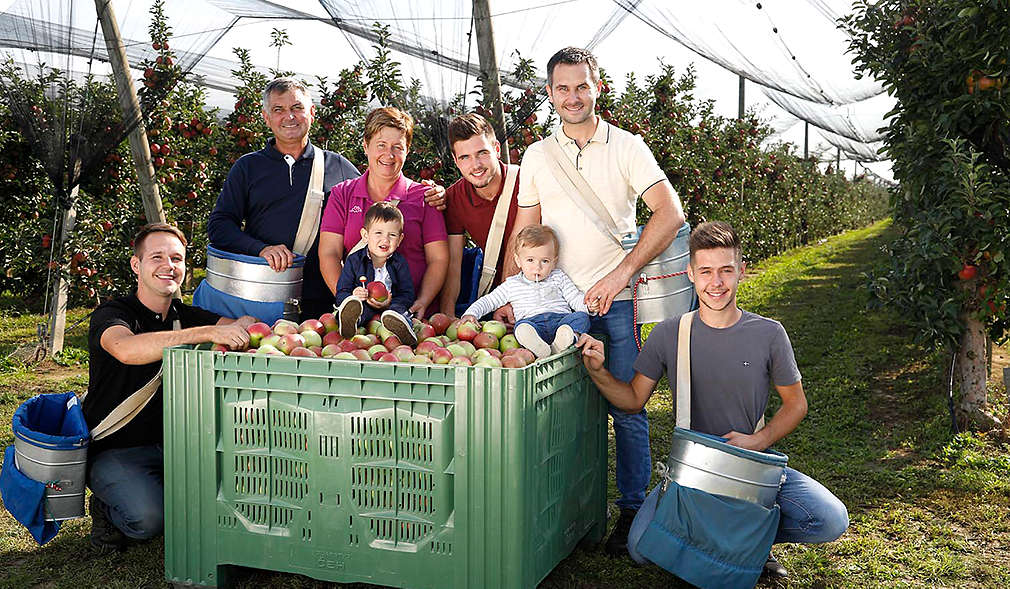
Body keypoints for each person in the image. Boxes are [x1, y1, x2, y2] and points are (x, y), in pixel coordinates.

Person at [577, 221, 849, 579]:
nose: (716, 283)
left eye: (726, 271)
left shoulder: (769, 334)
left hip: (749, 472)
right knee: (640, 548)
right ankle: (738, 542)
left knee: (830, 519)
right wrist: (598, 370)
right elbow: (631, 401)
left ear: (742, 271)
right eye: (706, 271)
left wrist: (759, 440)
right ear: (690, 273)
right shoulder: (670, 333)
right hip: (693, 476)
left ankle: (746, 540)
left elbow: (796, 404)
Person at [512, 46, 686, 553]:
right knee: (555, 406)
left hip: (612, 303)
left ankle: (631, 512)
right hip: (555, 305)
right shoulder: (538, 156)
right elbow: (527, 231)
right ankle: (572, 507)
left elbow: (669, 213)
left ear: (598, 87)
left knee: (628, 407)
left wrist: (621, 274)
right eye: (562, 88)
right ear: (549, 93)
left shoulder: (627, 146)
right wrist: (511, 293)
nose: (572, 96)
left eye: (581, 85)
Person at [83, 224, 256, 553]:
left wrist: (251, 325)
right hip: (116, 449)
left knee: (228, 500)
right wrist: (202, 334)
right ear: (137, 265)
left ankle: (161, 492)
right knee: (150, 519)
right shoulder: (114, 314)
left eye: (176, 258)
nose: (168, 265)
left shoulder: (183, 315)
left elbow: (238, 325)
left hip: (178, 446)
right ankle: (106, 508)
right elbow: (127, 349)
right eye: (157, 257)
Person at [206, 78, 360, 321]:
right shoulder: (248, 167)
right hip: (264, 299)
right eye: (279, 110)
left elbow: (381, 203)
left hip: (325, 306)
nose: (290, 116)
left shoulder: (338, 166)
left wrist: (427, 194)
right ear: (267, 119)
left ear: (312, 113)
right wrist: (261, 249)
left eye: (297, 108)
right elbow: (219, 226)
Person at [319, 107, 449, 319]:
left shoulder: (425, 197)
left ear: (407, 150)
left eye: (397, 147)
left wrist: (423, 301)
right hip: (359, 313)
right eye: (381, 145)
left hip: (412, 315)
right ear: (366, 146)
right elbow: (329, 254)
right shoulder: (343, 194)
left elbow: (439, 259)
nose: (389, 155)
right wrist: (350, 302)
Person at [461, 225, 593, 358]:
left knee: (582, 317)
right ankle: (539, 347)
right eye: (530, 260)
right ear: (518, 261)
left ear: (554, 262)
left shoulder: (558, 277)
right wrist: (472, 313)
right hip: (533, 324)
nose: (537, 267)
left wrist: (589, 307)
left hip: (561, 322)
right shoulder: (513, 284)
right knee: (521, 328)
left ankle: (566, 340)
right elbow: (489, 300)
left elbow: (574, 298)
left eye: (545, 261)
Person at [438, 113, 521, 317]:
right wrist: (447, 318)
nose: (475, 165)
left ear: (497, 150)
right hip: (497, 297)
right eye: (465, 157)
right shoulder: (455, 198)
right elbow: (453, 266)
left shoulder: (526, 181)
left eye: (482, 153)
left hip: (543, 289)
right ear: (456, 161)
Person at [333, 202, 417, 344]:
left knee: (399, 311)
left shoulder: (399, 263)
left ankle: (403, 330)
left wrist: (390, 303)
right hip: (364, 304)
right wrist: (354, 295)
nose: (385, 239)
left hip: (390, 307)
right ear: (365, 235)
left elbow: (407, 293)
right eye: (378, 233)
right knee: (356, 308)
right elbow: (342, 290)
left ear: (400, 239)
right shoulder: (354, 261)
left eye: (392, 235)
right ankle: (349, 322)